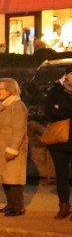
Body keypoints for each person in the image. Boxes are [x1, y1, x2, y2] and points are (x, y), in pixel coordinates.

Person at [0, 78, 28, 217]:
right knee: (5, 176)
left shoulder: (17, 106)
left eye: (0, 89)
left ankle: (18, 206)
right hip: (1, 147)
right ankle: (10, 204)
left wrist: (12, 148)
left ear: (10, 90)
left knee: (14, 177)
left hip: (12, 148)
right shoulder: (1, 105)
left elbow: (19, 129)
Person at [43, 67, 72, 219]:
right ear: (66, 76)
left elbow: (56, 111)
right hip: (59, 139)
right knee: (61, 174)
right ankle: (64, 205)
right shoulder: (55, 90)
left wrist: (61, 110)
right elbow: (49, 111)